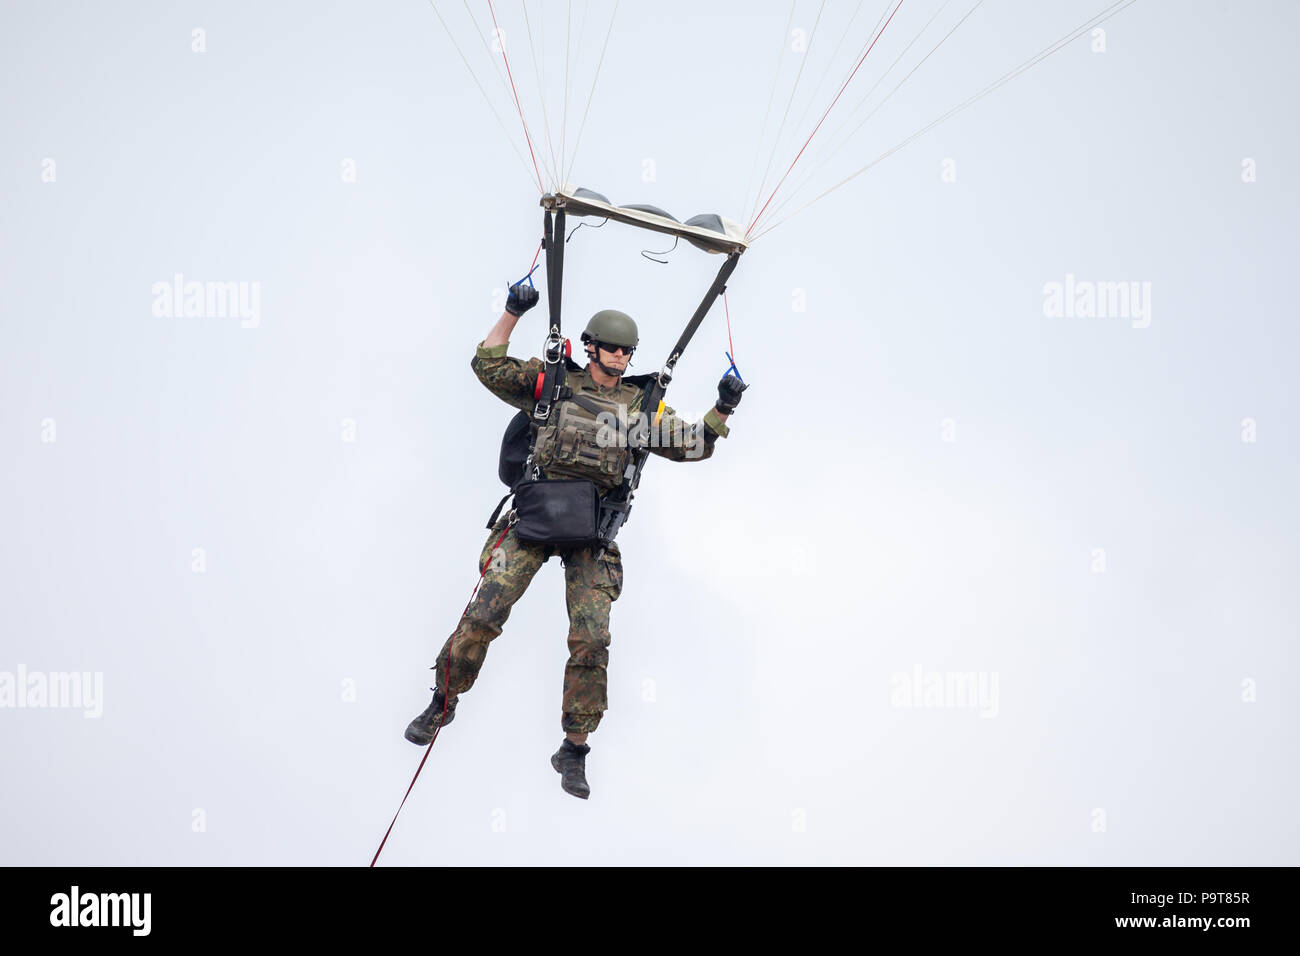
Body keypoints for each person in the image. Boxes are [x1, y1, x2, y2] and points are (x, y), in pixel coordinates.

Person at [404, 278, 748, 799]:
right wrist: (512, 312)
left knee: (591, 639)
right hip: (535, 518)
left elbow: (694, 445)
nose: (621, 356)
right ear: (590, 347)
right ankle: (442, 702)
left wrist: (723, 408)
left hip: (592, 533)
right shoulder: (553, 383)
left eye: (629, 350)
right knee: (483, 615)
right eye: (613, 347)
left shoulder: (638, 409)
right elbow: (488, 368)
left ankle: (574, 748)